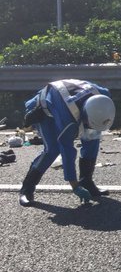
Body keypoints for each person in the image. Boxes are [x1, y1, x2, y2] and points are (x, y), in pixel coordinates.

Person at [19, 79, 116, 207]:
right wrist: (74, 186)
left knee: (92, 138)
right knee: (53, 149)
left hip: (67, 103)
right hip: (43, 110)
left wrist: (93, 128)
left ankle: (86, 181)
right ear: (84, 114)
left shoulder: (104, 97)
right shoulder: (68, 117)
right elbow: (67, 150)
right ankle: (27, 188)